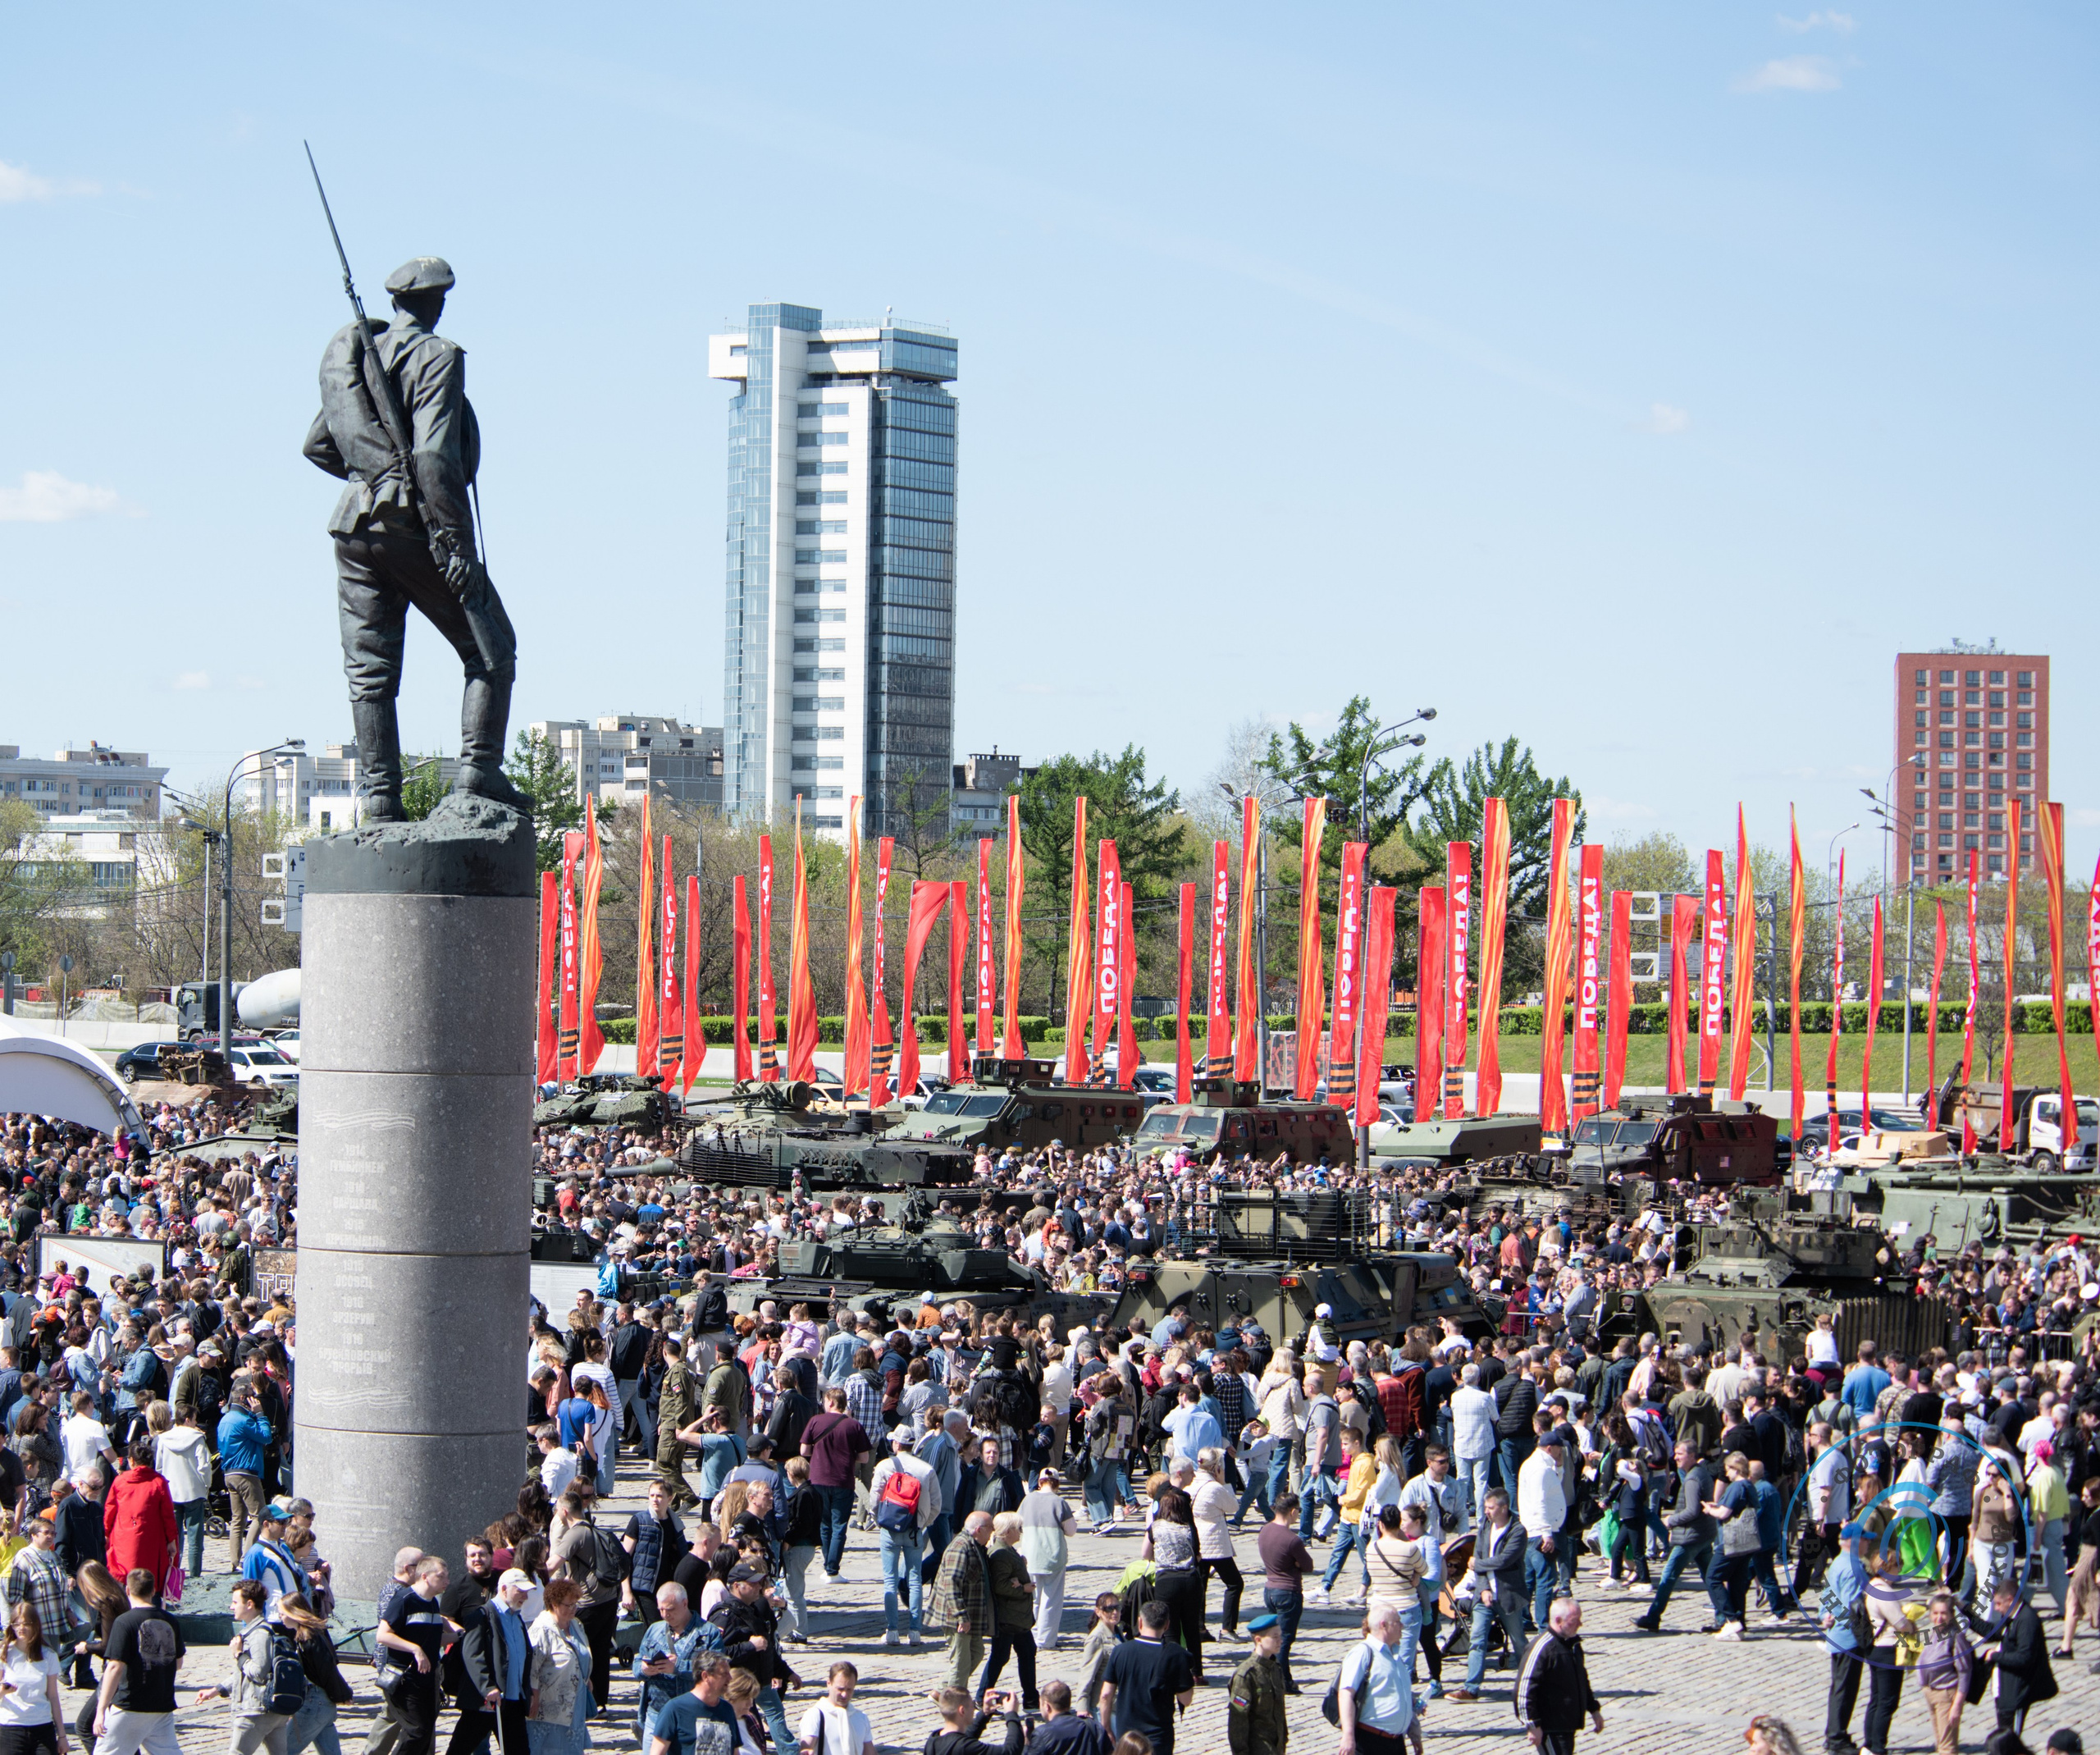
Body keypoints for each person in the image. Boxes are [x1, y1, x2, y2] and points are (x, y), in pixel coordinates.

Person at [302, 254, 525, 820]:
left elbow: (320, 444)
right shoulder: (438, 356)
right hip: (415, 527)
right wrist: (456, 545)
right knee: (492, 650)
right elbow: (433, 455)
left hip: (353, 527)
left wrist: (371, 478)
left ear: (396, 303)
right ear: (438, 302)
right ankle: (478, 772)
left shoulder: (367, 357)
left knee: (369, 672)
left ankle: (381, 799)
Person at [90, 1565, 185, 1755]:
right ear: (153, 1590)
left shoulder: (124, 1622)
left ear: (127, 1590)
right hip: (161, 1706)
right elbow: (178, 1663)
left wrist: (101, 1710)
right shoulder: (171, 1620)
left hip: (130, 1705)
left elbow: (114, 1667)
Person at [196, 1578, 295, 1755]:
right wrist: (217, 1690)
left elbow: (258, 1673)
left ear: (249, 1604)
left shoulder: (258, 1635)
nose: (231, 1607)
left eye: (235, 1602)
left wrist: (238, 1655)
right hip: (272, 1713)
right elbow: (243, 1674)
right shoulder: (257, 1631)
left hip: (255, 1711)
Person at [1448, 1487, 1527, 1703]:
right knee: (1477, 1639)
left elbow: (1505, 1560)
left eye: (1491, 1508)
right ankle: (1471, 1688)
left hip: (1509, 1595)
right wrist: (1482, 1588)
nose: (1487, 1511)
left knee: (1518, 1640)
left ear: (1503, 1507)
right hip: (1484, 1595)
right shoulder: (1485, 1526)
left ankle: (1531, 1683)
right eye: (1486, 1507)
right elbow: (1478, 1556)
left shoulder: (1518, 1530)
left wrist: (1478, 1564)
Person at [1631, 1440, 1715, 1636]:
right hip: (1703, 1535)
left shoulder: (1693, 1478)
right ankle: (1727, 1615)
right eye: (1675, 1453)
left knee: (1668, 1577)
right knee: (1710, 1577)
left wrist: (1672, 1520)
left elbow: (1693, 1510)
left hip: (1689, 1537)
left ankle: (1653, 1618)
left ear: (1693, 1456)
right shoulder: (1699, 1473)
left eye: (1680, 1454)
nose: (1676, 1457)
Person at [871, 1430, 940, 1649]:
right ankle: (915, 1630)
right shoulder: (926, 1469)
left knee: (890, 1579)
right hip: (914, 1530)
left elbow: (874, 1499)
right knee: (915, 1579)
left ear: (896, 1444)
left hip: (889, 1530)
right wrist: (922, 1523)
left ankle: (892, 1630)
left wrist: (879, 1519)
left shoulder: (884, 1466)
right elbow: (936, 1504)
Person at [451, 1568, 531, 1755]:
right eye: (521, 1591)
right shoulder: (481, 1615)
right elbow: (472, 1654)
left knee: (519, 1751)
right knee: (460, 1749)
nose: (525, 1597)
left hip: (513, 1700)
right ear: (504, 1589)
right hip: (486, 1702)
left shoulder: (516, 1617)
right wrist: (487, 1687)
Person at [375, 1556, 449, 1755]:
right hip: (404, 1680)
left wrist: (461, 1635)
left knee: (424, 1733)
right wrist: (415, 1649)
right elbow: (383, 1635)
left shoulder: (433, 1603)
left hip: (427, 1680)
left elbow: (433, 1639)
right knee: (417, 1731)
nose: (446, 1581)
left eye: (447, 1577)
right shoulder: (404, 1599)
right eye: (441, 1576)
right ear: (424, 1576)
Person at [1097, 1602, 1193, 1755]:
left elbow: (1105, 1695)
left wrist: (1106, 1727)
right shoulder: (1175, 1655)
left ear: (1140, 1622)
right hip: (1159, 1736)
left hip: (1127, 1736)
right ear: (1167, 1625)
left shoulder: (1121, 1651)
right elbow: (1186, 1699)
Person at [1514, 1597, 1602, 1755]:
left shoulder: (1572, 1644)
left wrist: (1594, 1709)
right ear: (1558, 1620)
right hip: (1550, 1727)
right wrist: (1533, 1725)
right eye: (1575, 1621)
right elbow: (1524, 1690)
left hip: (1567, 1725)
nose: (1580, 1624)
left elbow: (1581, 1679)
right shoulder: (1542, 1648)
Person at [798, 1390, 869, 1580]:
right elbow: (864, 1457)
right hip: (843, 1480)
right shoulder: (854, 1425)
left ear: (830, 1402)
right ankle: (833, 1568)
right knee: (839, 1526)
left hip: (819, 1478)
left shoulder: (815, 1421)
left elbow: (804, 1450)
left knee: (824, 1524)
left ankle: (827, 1566)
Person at [1976, 1579, 2058, 1739]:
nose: (1997, 1609)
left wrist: (1994, 1656)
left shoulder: (2027, 1620)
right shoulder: (2012, 1616)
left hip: (2017, 1692)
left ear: (2010, 1600)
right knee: (2004, 1738)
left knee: (2011, 1740)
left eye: (1999, 1604)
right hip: (2006, 1689)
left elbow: (2024, 1657)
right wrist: (1964, 1613)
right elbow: (1992, 1632)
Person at [928, 1514, 995, 1698]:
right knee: (961, 1661)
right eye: (990, 1528)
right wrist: (961, 1616)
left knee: (976, 1651)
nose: (992, 1532)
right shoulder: (960, 1547)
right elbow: (951, 1583)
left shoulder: (975, 1546)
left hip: (967, 1614)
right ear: (978, 1530)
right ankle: (955, 1703)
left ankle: (941, 1692)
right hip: (954, 1615)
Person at [1335, 1602, 1416, 1755]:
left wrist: (1413, 1729)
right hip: (1370, 1741)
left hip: (1396, 1742)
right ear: (1383, 1625)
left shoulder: (1394, 1654)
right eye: (1397, 1622)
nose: (1402, 1626)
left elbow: (1402, 1695)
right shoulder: (1363, 1653)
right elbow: (1346, 1694)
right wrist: (1348, 1735)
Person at [101, 1443, 176, 1606]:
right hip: (151, 1541)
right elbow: (168, 1515)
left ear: (132, 1461)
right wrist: (172, 1540)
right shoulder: (158, 1482)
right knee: (150, 1579)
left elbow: (110, 1511)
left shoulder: (120, 1481)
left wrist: (106, 1533)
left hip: (123, 1541)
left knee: (124, 1577)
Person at [525, 1579, 595, 1755]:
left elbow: (581, 1654)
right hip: (549, 1706)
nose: (574, 1608)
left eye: (575, 1604)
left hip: (575, 1704)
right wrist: (533, 1696)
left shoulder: (576, 1625)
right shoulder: (542, 1629)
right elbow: (532, 1667)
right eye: (569, 1604)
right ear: (554, 1604)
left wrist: (586, 1677)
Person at [978, 1512, 1038, 1717]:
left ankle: (1031, 1698)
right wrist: (1023, 1588)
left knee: (1026, 1652)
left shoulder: (1008, 1550)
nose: (1021, 1532)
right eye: (1018, 1529)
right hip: (1008, 1617)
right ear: (1009, 1531)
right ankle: (981, 1696)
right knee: (1001, 1656)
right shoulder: (1001, 1553)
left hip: (1017, 1617)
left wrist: (1020, 1567)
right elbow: (1001, 1585)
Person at [1819, 1521, 1869, 1755]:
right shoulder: (1854, 1567)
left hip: (1836, 1636)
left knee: (1838, 1687)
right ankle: (1837, 1738)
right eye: (1865, 1539)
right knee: (1846, 1689)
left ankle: (1834, 1733)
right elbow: (1851, 1606)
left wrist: (1825, 1617)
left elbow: (1827, 1596)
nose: (1868, 1543)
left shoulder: (1837, 1562)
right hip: (1849, 1638)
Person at [1255, 1496, 1312, 1696]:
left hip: (1270, 1590)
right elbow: (1308, 1565)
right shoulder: (1292, 1540)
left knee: (1274, 1636)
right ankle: (1284, 1681)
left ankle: (1275, 1677)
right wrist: (1295, 1564)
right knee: (1284, 1640)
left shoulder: (1265, 1530)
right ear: (1293, 1511)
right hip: (1288, 1592)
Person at [1020, 1470, 1077, 1651]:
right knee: (1051, 1599)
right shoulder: (1060, 1503)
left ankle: (1031, 1634)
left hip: (1030, 1555)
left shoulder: (1027, 1500)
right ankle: (1046, 1640)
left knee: (1033, 1598)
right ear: (1056, 1484)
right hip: (1053, 1557)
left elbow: (1019, 1524)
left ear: (1040, 1482)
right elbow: (1071, 1530)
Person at [0, 1601, 66, 1755]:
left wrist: (62, 1735)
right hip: (11, 1726)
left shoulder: (48, 1655)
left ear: (35, 1625)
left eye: (26, 1624)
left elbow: (53, 1696)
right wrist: (3, 1691)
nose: (21, 1628)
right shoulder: (5, 1652)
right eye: (17, 1624)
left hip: (42, 1725)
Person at [645, 1651, 737, 1755]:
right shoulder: (674, 1709)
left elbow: (735, 1751)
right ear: (705, 1676)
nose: (730, 1678)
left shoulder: (727, 1709)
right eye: (724, 1673)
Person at [1915, 1590, 1973, 1755]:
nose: (1938, 1618)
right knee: (1940, 1744)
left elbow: (1965, 1671)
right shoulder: (1933, 1632)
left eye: (1943, 1613)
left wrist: (1957, 1705)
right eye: (1935, 1613)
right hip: (1931, 1692)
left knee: (1947, 1748)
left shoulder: (1956, 1636)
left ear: (1951, 1614)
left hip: (1946, 1695)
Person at [1224, 1616, 1287, 1755]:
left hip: (1276, 1747)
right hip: (1257, 1748)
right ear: (1258, 1640)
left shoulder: (1275, 1668)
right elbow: (1237, 1719)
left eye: (1280, 1636)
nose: (1280, 1641)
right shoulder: (1246, 1675)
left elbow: (1280, 1712)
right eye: (1275, 1637)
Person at [793, 1661, 874, 1755]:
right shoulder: (815, 1715)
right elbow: (807, 1745)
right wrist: (805, 1751)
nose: (845, 1694)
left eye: (849, 1689)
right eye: (840, 1689)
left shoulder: (861, 1718)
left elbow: (870, 1752)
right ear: (829, 1684)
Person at [921, 1685, 1022, 1755]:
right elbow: (1009, 1752)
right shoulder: (965, 1747)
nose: (973, 1709)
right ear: (962, 1711)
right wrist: (1011, 1714)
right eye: (971, 1706)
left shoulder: (933, 1740)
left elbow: (962, 1740)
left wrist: (985, 1713)